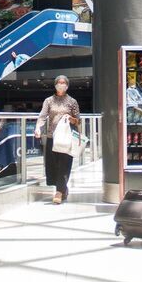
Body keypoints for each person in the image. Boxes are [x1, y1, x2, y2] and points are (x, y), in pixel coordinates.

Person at [34, 75, 80, 204]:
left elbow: (78, 120)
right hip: (51, 137)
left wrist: (71, 119)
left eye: (64, 83)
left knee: (64, 165)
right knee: (53, 165)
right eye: (59, 83)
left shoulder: (72, 101)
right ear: (55, 85)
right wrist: (38, 128)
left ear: (67, 85)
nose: (61, 85)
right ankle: (63, 188)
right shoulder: (49, 101)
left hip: (66, 138)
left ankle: (59, 192)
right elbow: (42, 116)